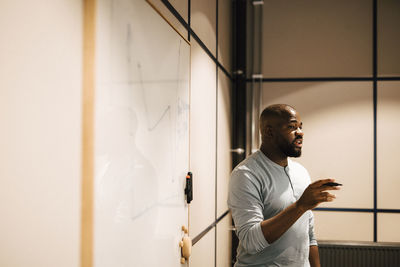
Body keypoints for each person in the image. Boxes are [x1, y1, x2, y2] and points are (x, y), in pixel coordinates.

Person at [228, 104, 340, 267]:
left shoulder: (301, 172)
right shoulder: (246, 174)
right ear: (269, 131)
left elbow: (308, 234)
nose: (300, 132)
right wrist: (300, 206)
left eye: (300, 127)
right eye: (292, 127)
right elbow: (251, 242)